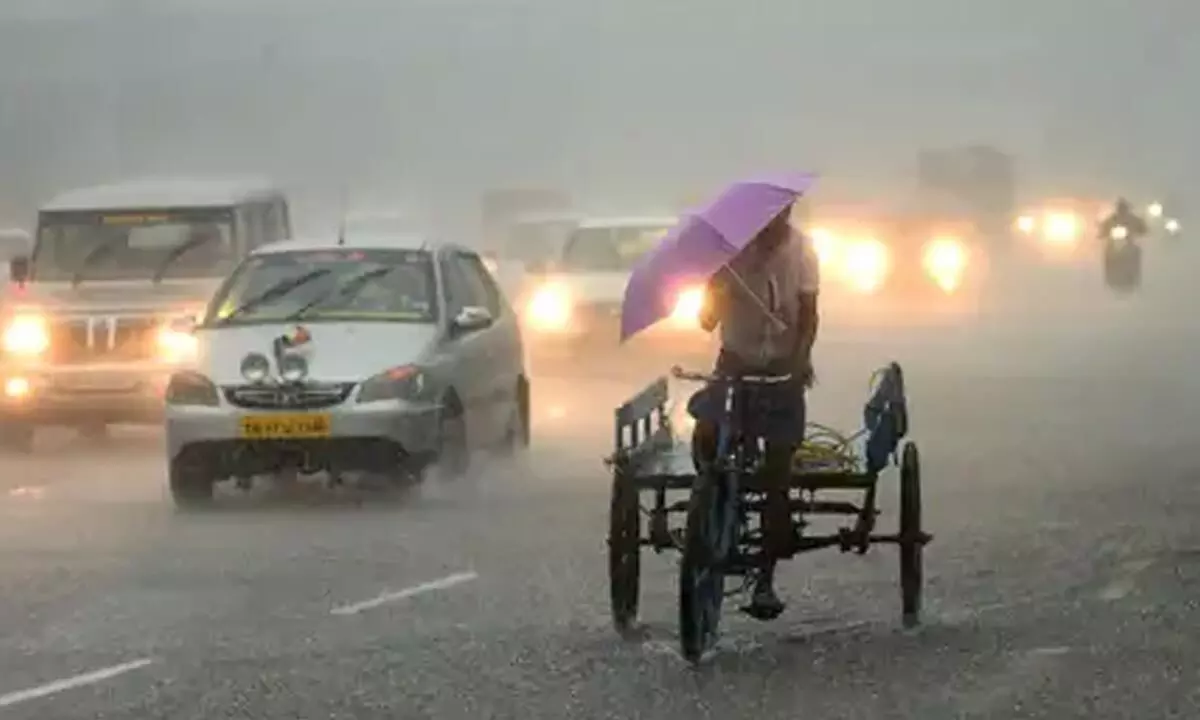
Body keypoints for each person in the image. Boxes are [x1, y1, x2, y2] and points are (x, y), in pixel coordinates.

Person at [689, 203, 820, 620]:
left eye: (779, 218)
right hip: (735, 363)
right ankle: (710, 506)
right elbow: (706, 322)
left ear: (788, 215)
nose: (771, 226)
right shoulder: (729, 256)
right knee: (707, 434)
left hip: (782, 369)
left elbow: (810, 315)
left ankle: (765, 579)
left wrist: (800, 360)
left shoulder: (803, 251)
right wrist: (718, 291)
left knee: (777, 475)